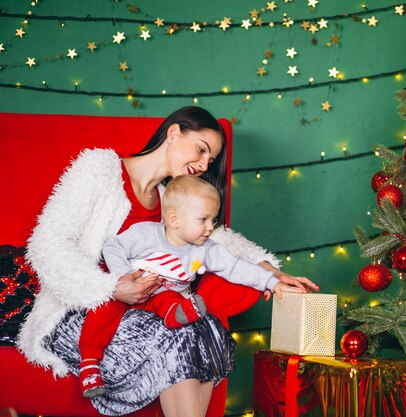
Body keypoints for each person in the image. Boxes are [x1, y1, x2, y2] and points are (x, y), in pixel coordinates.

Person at [18, 106, 319, 417]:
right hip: (86, 313)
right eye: (201, 150)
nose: (203, 165)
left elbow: (217, 240)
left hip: (151, 310)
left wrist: (267, 268)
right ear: (174, 133)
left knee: (205, 329)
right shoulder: (100, 169)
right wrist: (110, 287)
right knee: (179, 336)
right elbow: (46, 245)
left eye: (210, 161)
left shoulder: (172, 200)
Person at [79, 175, 301, 398]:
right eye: (203, 220)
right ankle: (89, 363)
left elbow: (236, 267)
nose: (210, 228)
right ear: (174, 219)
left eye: (213, 221)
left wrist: (272, 282)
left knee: (169, 297)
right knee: (103, 307)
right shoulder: (145, 234)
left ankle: (178, 316)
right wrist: (124, 277)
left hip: (164, 302)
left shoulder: (205, 249)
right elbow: (113, 247)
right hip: (131, 293)